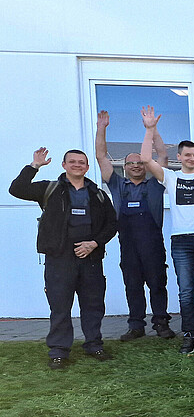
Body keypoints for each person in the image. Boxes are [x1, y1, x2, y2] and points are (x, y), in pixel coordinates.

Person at [10, 147, 117, 369]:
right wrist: (34, 166)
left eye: (81, 162)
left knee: (93, 304)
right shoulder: (49, 188)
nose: (77, 165)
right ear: (64, 165)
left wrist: (94, 243)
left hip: (91, 257)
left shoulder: (98, 194)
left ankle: (94, 345)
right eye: (72, 162)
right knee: (60, 305)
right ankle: (59, 351)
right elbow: (17, 189)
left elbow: (112, 224)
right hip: (59, 257)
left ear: (87, 167)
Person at [140, 106, 194, 354]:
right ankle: (189, 335)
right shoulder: (170, 177)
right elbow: (146, 159)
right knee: (186, 292)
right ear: (179, 156)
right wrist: (150, 130)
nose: (192, 158)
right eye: (188, 155)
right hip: (181, 242)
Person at [94, 110, 175, 341]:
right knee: (132, 285)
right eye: (132, 163)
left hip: (152, 243)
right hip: (128, 244)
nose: (137, 166)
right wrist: (102, 128)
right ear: (125, 166)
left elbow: (162, 154)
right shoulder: (117, 184)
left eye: (141, 163)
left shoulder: (156, 183)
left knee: (157, 284)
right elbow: (101, 156)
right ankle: (136, 326)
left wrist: (152, 129)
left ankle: (161, 323)